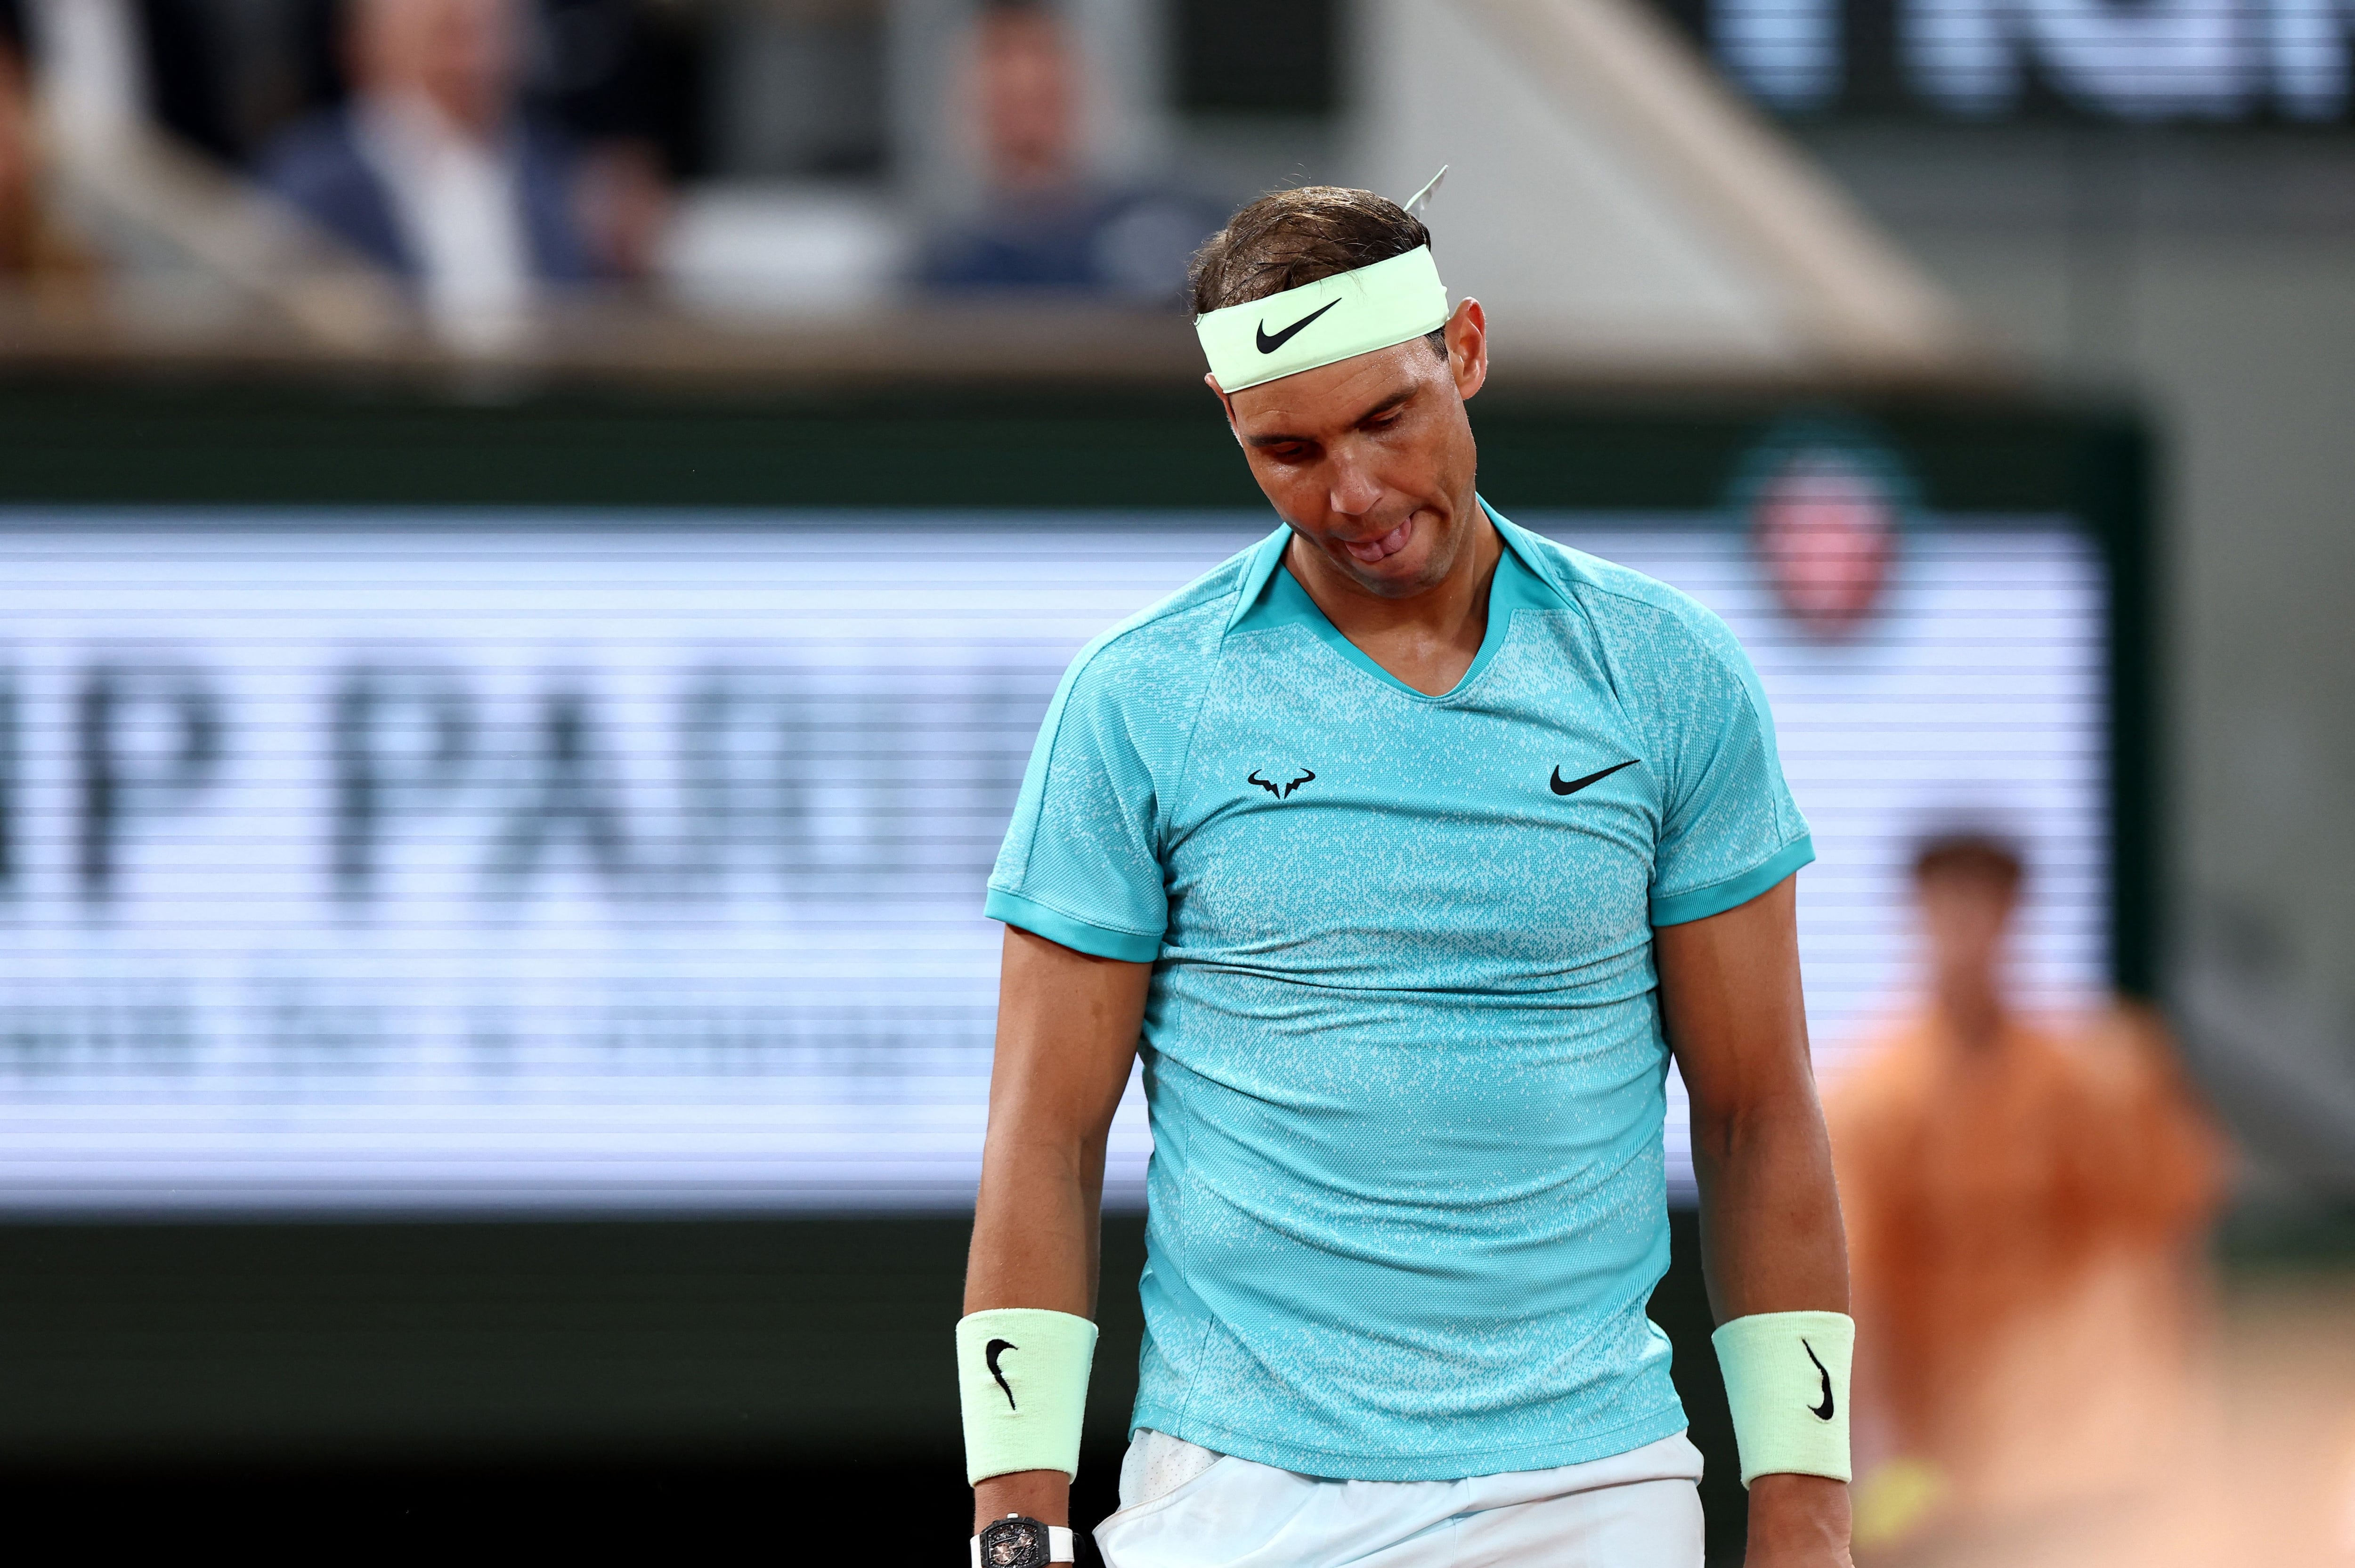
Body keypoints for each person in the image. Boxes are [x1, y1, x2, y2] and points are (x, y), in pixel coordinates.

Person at [956, 185, 1855, 1568]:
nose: (1355, 492)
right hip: (1227, 1490)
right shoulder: (1137, 698)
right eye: (1290, 449)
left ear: (1467, 350)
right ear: (1230, 424)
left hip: (1590, 1489)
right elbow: (1042, 1131)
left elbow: (1755, 1111)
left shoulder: (1666, 675)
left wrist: (1802, 1499)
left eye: (1387, 418)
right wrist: (1012, 1516)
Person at [1827, 833, 2225, 1548]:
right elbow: (1860, 1293)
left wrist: (2173, 1415)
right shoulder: (1875, 1095)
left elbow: (2155, 1249)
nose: (1966, 927)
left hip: (2077, 1450)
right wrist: (1868, 1460)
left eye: (1985, 902)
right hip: (1942, 1456)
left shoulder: (2094, 1078)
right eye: (1948, 901)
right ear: (1915, 913)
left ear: (2015, 913)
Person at [257, 0, 597, 350]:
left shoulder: (554, 170)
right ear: (378, 46)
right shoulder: (312, 183)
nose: (477, 61)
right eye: (451, 35)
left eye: (493, 35)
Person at [917, 0, 1216, 303]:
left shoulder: (1184, 232)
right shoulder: (951, 269)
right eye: (1007, 97)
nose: (1025, 76)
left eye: (1045, 59)